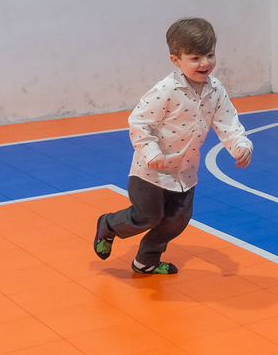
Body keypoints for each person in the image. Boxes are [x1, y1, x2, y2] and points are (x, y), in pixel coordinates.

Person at [93, 17, 252, 274]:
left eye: (210, 55)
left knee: (177, 220)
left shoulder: (216, 89)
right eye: (195, 58)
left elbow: (228, 122)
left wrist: (240, 145)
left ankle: (146, 261)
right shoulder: (165, 90)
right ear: (176, 60)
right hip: (151, 170)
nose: (205, 63)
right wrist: (151, 152)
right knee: (147, 217)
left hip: (184, 171)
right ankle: (108, 226)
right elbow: (139, 123)